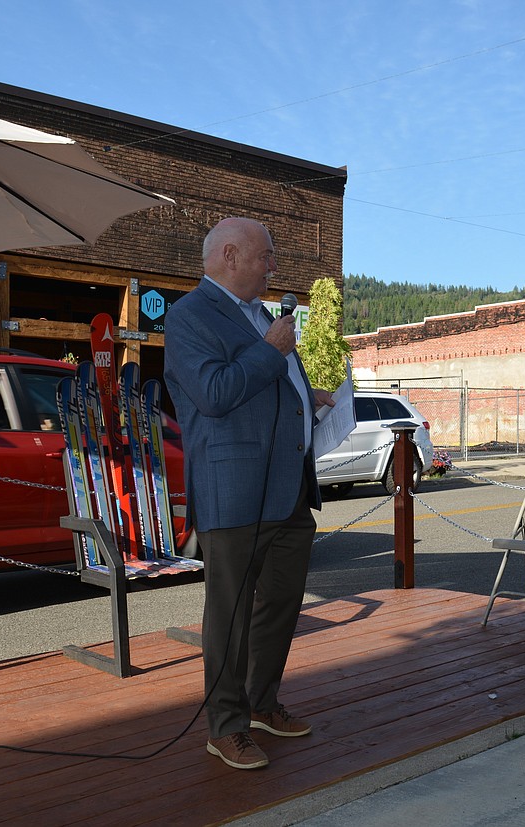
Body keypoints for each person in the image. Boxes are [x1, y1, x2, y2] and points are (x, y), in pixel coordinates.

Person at [164, 217, 335, 771]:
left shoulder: (260, 314)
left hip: (288, 490)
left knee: (282, 602)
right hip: (233, 488)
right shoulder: (189, 316)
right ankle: (227, 725)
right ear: (230, 255)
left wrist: (311, 397)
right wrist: (270, 351)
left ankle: (262, 703)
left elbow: (270, 385)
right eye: (265, 256)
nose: (273, 267)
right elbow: (214, 394)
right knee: (230, 614)